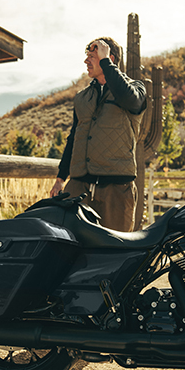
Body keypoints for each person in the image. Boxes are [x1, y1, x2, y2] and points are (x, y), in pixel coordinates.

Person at [50, 37, 147, 232]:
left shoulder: (136, 89)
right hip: (78, 187)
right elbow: (74, 138)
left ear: (109, 59)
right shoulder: (82, 97)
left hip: (117, 190)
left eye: (92, 56)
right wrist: (61, 178)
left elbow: (132, 101)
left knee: (115, 252)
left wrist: (106, 63)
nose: (86, 61)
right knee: (67, 245)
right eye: (87, 56)